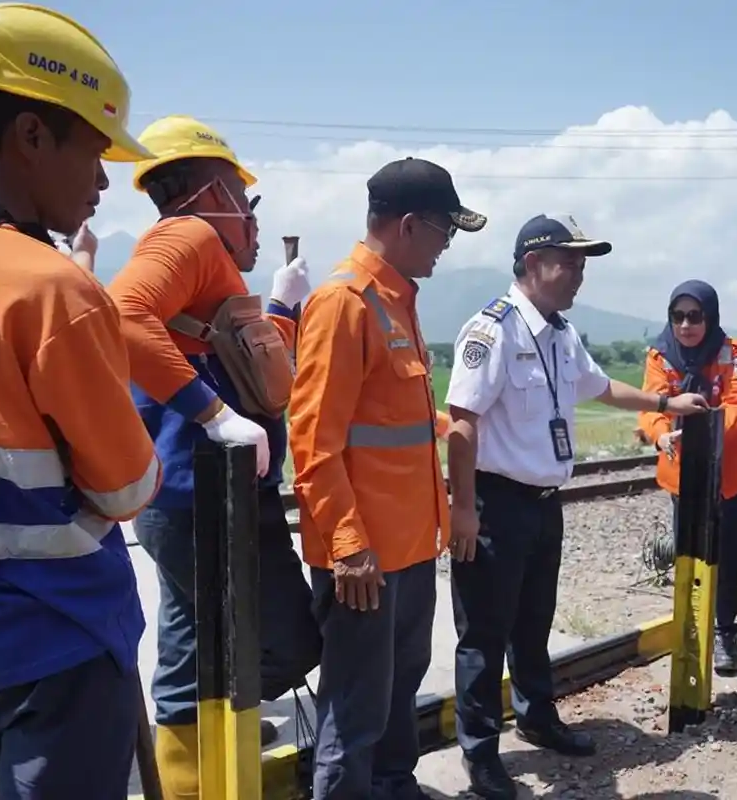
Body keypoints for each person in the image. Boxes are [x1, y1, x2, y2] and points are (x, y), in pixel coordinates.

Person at [444, 213, 708, 800]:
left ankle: (538, 717)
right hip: (496, 504)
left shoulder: (559, 332)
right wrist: (463, 509)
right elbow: (461, 426)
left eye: (583, 264)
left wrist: (667, 400)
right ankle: (481, 751)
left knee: (533, 621)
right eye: (571, 263)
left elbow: (602, 388)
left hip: (543, 506)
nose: (579, 276)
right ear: (534, 265)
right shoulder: (494, 331)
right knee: (483, 636)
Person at [0, 4, 162, 796]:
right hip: (58, 640)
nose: (104, 178)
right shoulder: (51, 289)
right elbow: (126, 486)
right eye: (94, 147)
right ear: (31, 135)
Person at [106, 114, 321, 797]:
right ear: (210, 192)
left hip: (177, 496)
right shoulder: (191, 234)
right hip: (209, 498)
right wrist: (216, 416)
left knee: (187, 648)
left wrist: (280, 312)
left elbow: (232, 362)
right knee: (277, 642)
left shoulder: (202, 260)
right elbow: (124, 314)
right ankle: (225, 740)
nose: (250, 220)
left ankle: (191, 780)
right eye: (243, 199)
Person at [291, 157, 485, 799]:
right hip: (365, 558)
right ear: (407, 225)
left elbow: (381, 413)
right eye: (443, 232)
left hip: (405, 549)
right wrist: (348, 547)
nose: (447, 246)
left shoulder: (396, 299)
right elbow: (314, 441)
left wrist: (440, 425)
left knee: (398, 689)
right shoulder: (344, 303)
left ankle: (395, 788)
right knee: (356, 707)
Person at [638, 280, 737, 676]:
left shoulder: (734, 352)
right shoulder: (660, 354)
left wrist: (706, 425)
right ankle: (691, 627)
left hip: (732, 474)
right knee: (690, 552)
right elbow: (651, 405)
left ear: (710, 316)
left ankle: (723, 631)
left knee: (725, 558)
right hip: (683, 474)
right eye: (678, 316)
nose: (686, 325)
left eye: (695, 316)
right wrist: (660, 434)